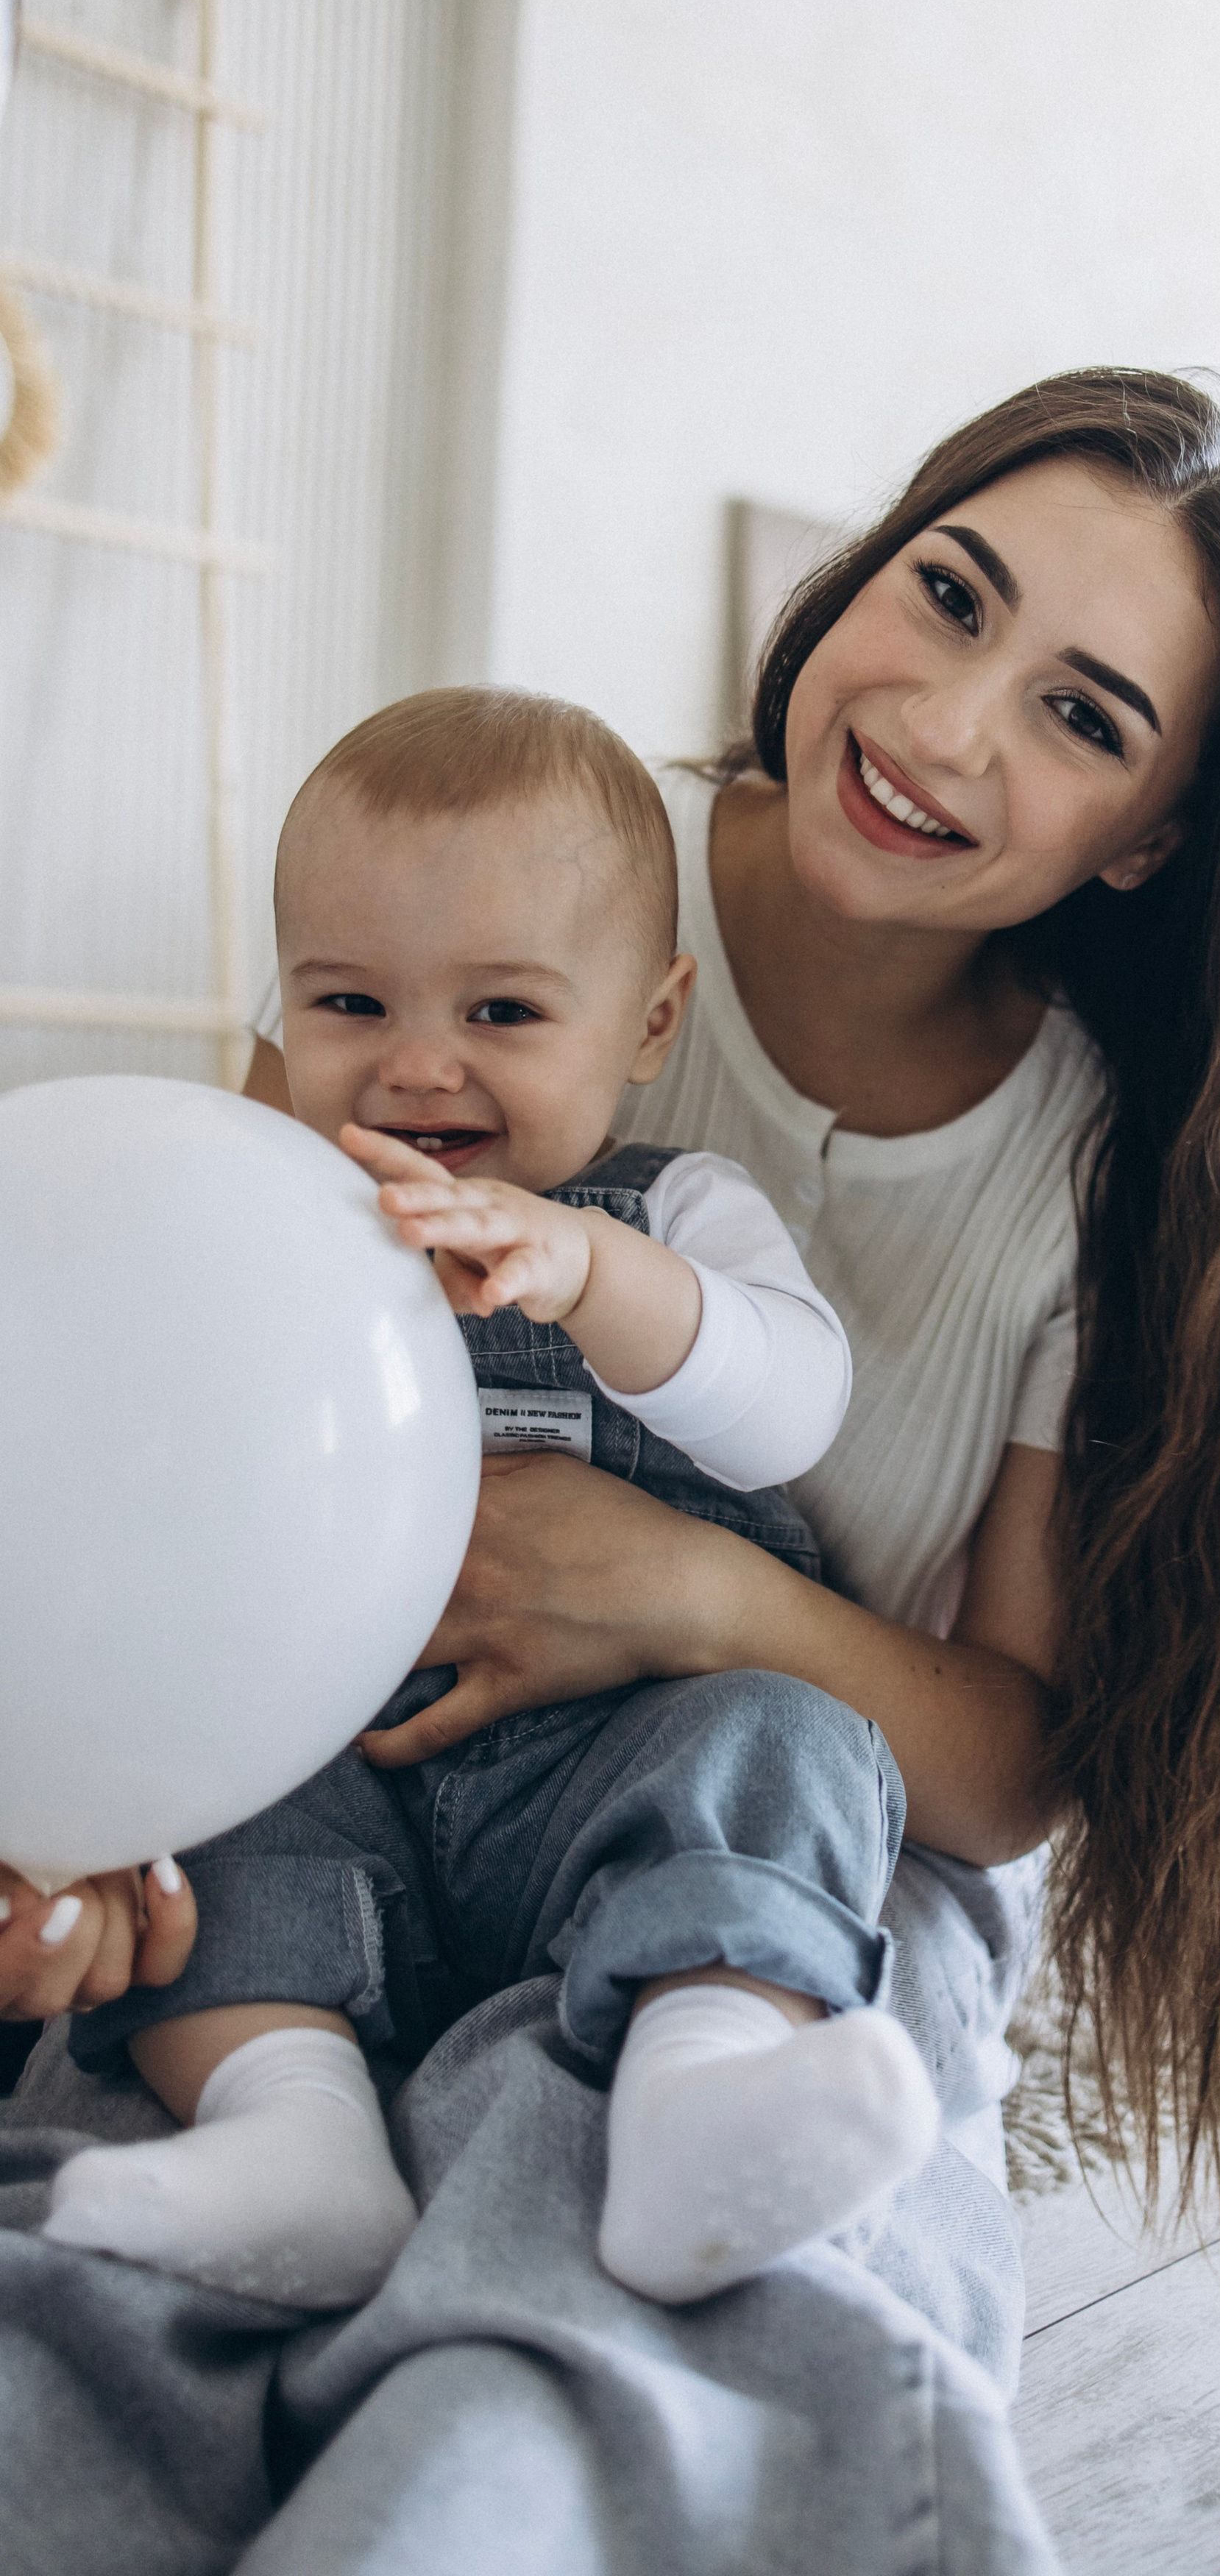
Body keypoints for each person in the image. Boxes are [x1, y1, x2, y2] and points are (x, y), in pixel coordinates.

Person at [0, 369, 1220, 2573]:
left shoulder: (1113, 1161)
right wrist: (100, 1816)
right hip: (347, 1732)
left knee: (611, 2232)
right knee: (119, 2190)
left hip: (790, 1811)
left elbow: (1000, 1779)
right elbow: (200, 1390)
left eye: (1079, 716)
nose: (946, 725)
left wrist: (681, 1595)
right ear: (857, 572)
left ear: (1152, 830)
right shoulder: (505, 873)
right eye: (944, 596)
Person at [38, 688, 943, 2313]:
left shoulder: (671, 1211)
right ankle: (289, 2132)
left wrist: (597, 1273)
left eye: (505, 1014)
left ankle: (704, 2091)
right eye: (350, 1000)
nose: (417, 1065)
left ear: (648, 1026)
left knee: (792, 1744)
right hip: (336, 1751)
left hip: (608, 1764)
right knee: (201, 1832)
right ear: (285, 1004)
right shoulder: (269, 1211)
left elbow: (787, 1404)